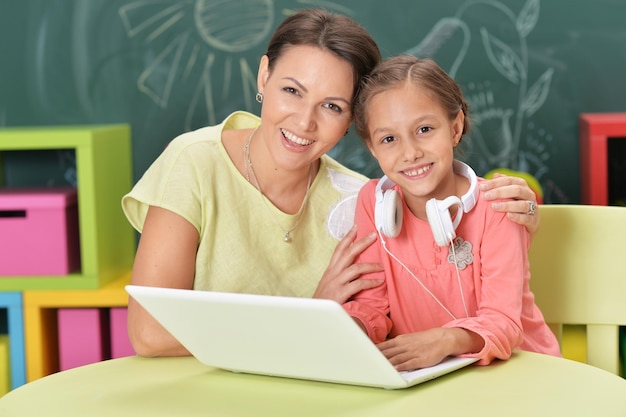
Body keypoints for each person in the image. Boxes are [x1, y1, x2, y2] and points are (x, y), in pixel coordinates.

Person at [122, 9, 542, 358]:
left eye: (331, 106)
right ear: (264, 76)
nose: (305, 122)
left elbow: (384, 309)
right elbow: (149, 334)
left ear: (350, 122)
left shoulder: (367, 201)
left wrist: (519, 216)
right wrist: (311, 314)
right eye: (291, 90)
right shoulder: (194, 161)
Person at [342, 55, 560, 371]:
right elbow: (371, 306)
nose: (410, 152)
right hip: (432, 376)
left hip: (519, 371)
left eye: (425, 129)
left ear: (455, 128)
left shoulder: (498, 204)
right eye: (389, 138)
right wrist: (349, 331)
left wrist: (444, 340)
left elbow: (503, 321)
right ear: (372, 148)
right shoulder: (371, 203)